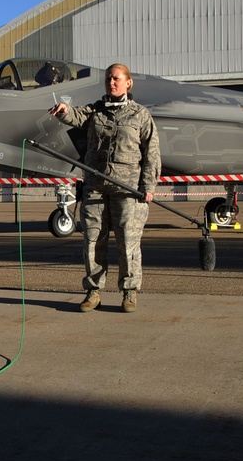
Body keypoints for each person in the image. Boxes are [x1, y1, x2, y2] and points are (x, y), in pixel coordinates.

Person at [48, 64, 161, 313]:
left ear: (128, 83)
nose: (111, 82)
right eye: (109, 78)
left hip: (128, 188)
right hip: (96, 187)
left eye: (116, 78)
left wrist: (148, 185)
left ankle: (129, 292)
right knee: (92, 239)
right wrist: (64, 111)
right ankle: (93, 291)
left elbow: (151, 153)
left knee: (128, 241)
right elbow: (77, 116)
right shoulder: (96, 111)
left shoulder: (140, 115)